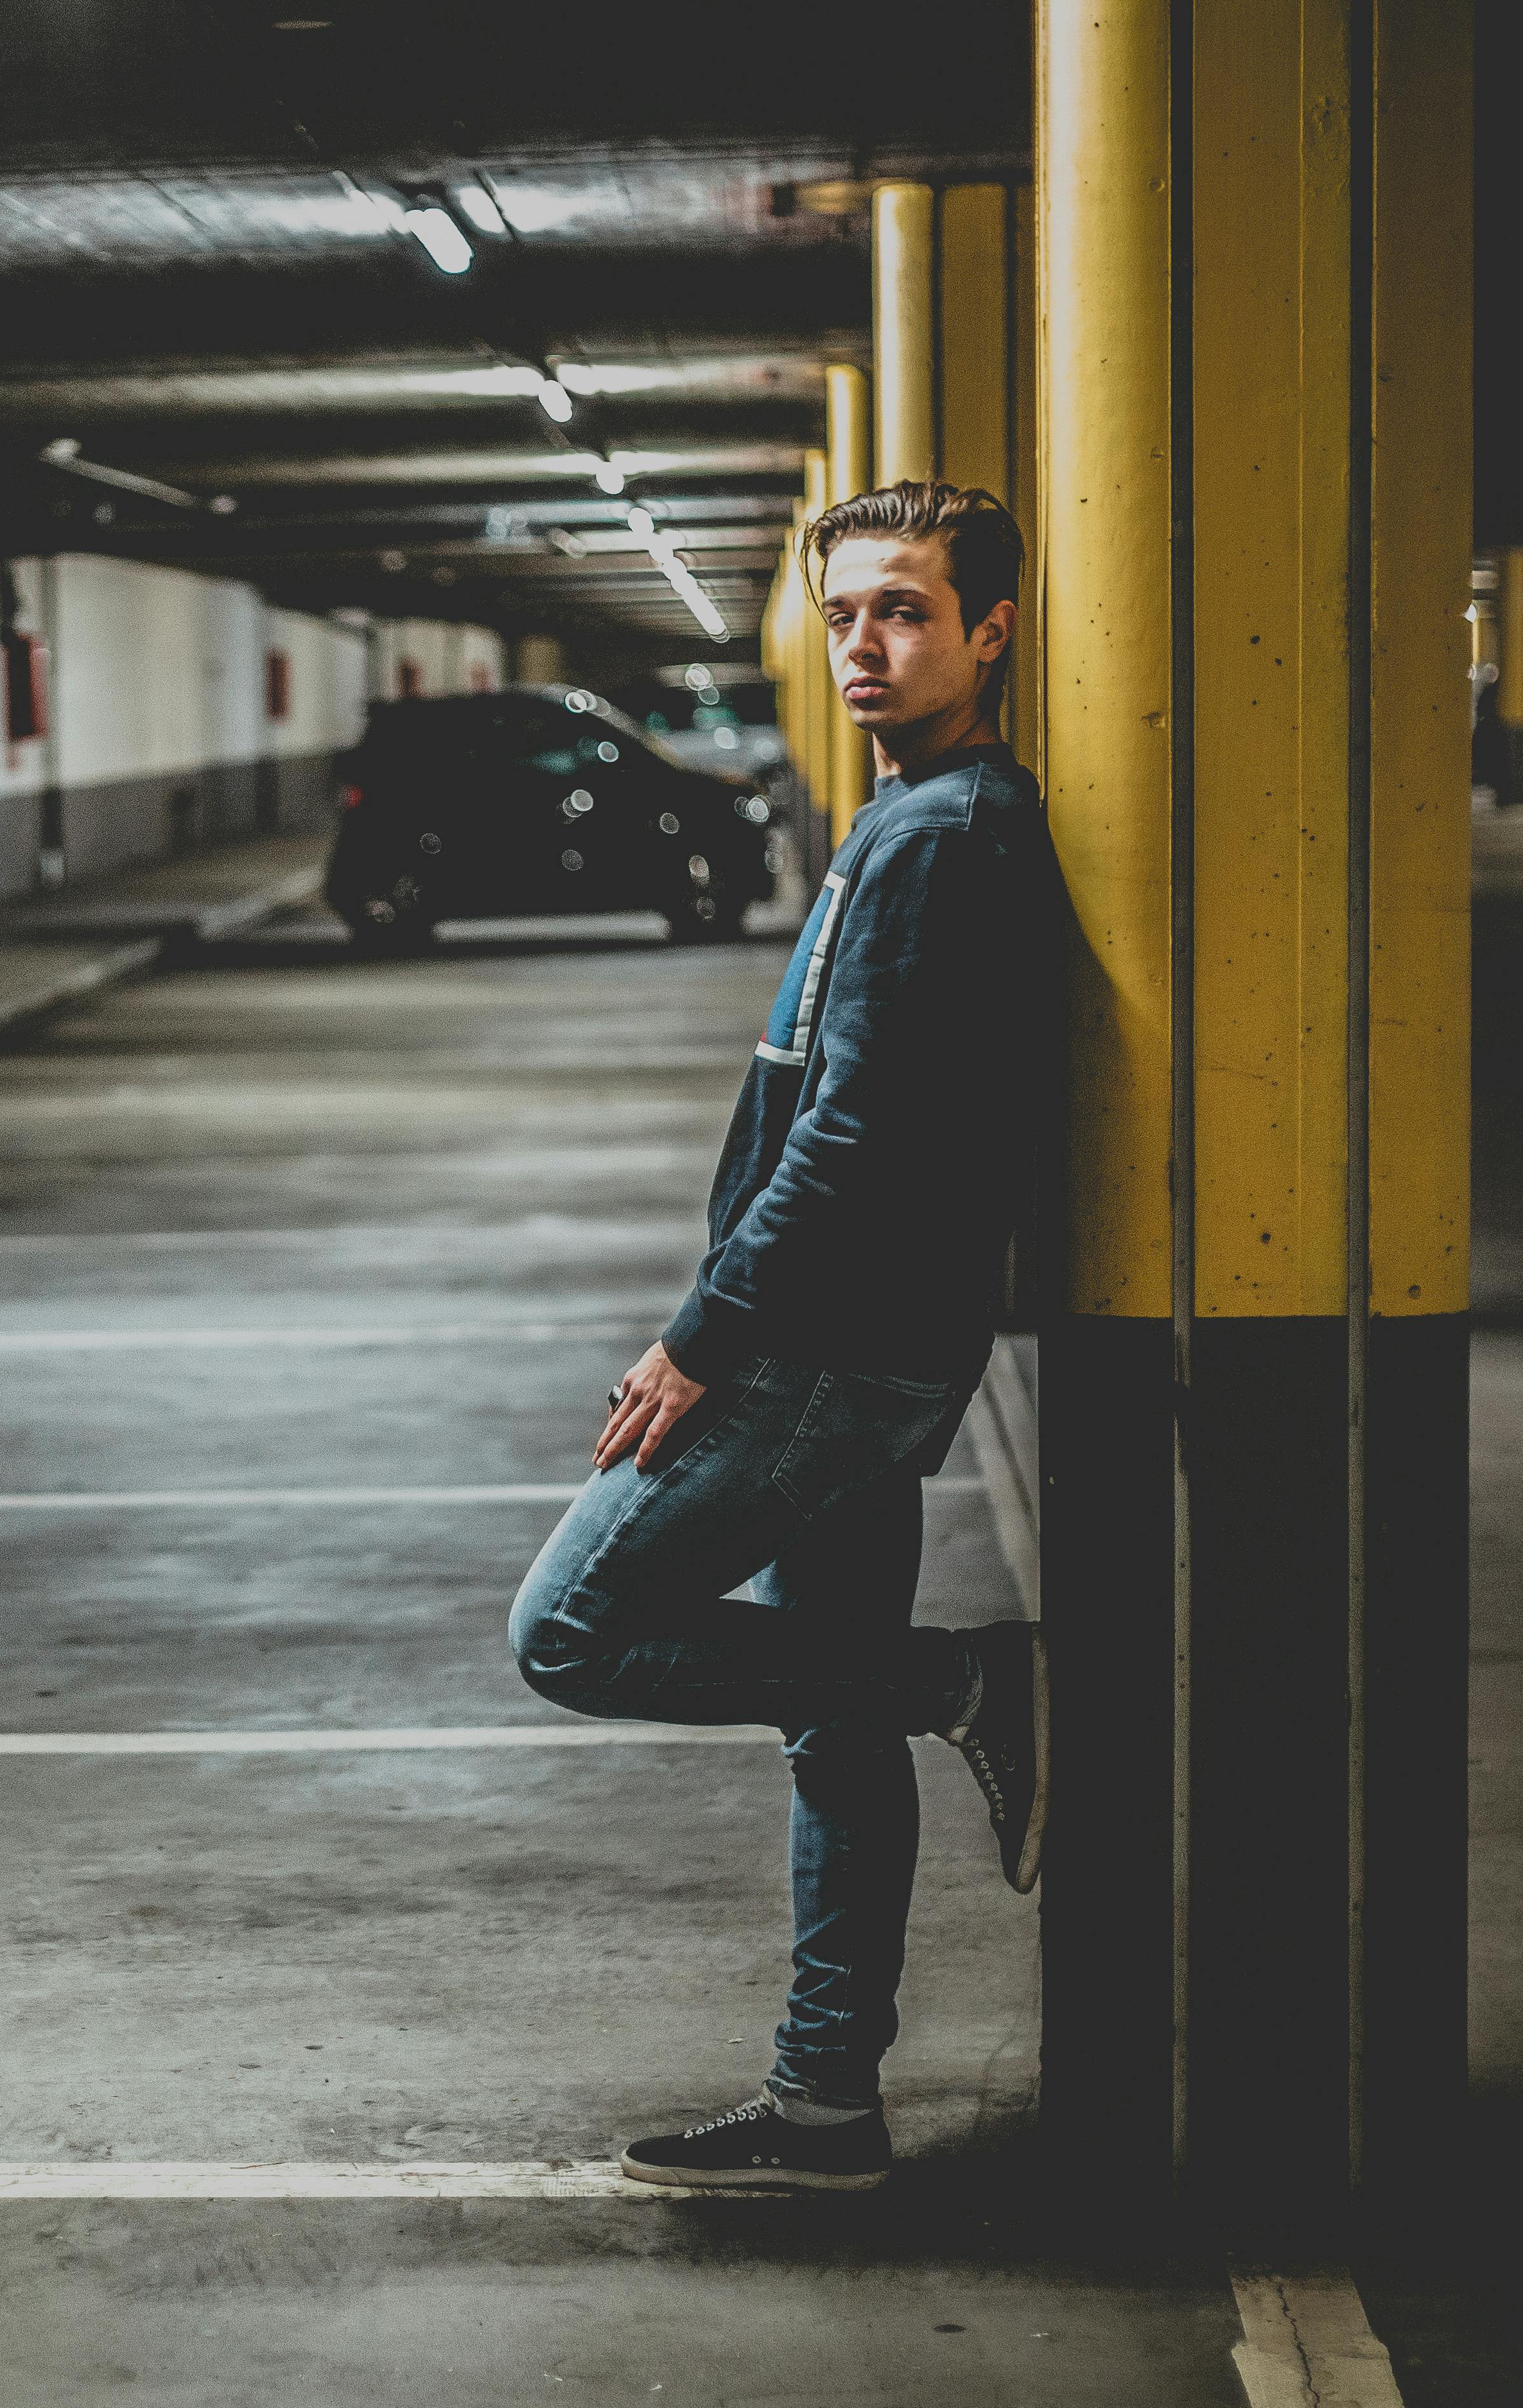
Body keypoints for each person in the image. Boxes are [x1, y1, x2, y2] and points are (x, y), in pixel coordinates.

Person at [505, 479, 1057, 2194]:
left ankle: (966, 1680)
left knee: (572, 1631)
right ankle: (825, 2105)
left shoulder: (942, 832)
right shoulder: (909, 816)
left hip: (824, 1347)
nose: (862, 647)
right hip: (843, 1330)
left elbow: (861, 1125)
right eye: (840, 616)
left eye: (901, 609)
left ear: (991, 630)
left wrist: (702, 1335)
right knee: (827, 1728)